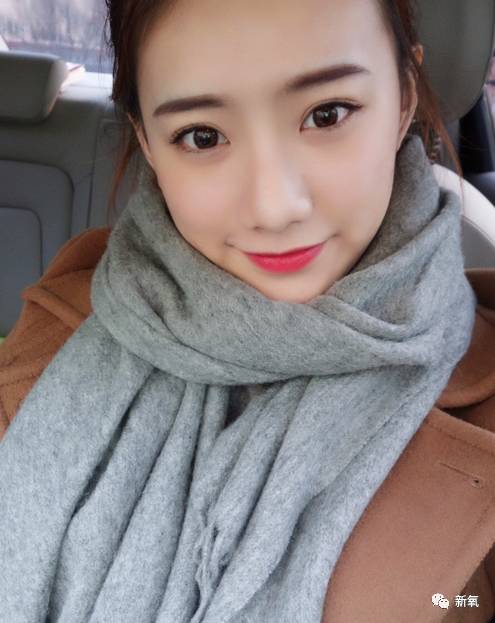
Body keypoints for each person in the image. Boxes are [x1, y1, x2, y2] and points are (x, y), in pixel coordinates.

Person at [0, 1, 494, 622]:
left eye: (327, 114)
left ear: (403, 100)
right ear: (147, 142)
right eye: (202, 136)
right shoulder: (53, 341)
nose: (274, 207)